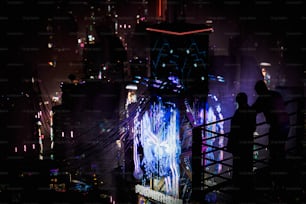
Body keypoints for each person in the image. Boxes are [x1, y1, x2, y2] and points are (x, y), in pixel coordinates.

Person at [252, 80, 290, 194]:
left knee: (274, 149)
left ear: (260, 90)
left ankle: (276, 174)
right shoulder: (275, 94)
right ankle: (280, 173)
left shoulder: (263, 98)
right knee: (280, 148)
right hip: (286, 123)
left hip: (277, 126)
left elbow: (253, 109)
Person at [227, 92, 256, 202]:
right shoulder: (250, 111)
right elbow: (253, 127)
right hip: (248, 143)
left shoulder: (239, 113)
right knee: (247, 165)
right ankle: (246, 189)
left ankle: (238, 189)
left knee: (238, 166)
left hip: (239, 145)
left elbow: (235, 130)